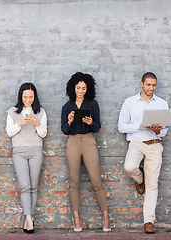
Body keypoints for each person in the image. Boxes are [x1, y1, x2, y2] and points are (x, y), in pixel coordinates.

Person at [118, 72, 169, 234]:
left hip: (155, 144)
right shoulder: (130, 102)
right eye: (148, 85)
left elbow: (165, 131)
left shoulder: (162, 103)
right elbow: (122, 126)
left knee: (153, 185)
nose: (151, 88)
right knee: (130, 166)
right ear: (141, 84)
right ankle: (139, 179)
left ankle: (149, 221)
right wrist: (141, 126)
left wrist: (157, 131)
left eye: (154, 85)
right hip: (137, 143)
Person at [61, 72, 111, 232]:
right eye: (78, 88)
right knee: (74, 182)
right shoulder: (67, 107)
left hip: (89, 141)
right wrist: (69, 121)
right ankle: (76, 219)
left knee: (96, 181)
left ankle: (106, 217)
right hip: (73, 142)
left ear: (87, 88)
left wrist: (91, 123)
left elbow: (97, 127)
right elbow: (64, 130)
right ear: (73, 88)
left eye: (83, 88)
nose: (81, 91)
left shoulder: (93, 104)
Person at [6, 83, 47, 234]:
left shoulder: (41, 112)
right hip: (19, 151)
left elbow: (43, 134)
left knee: (33, 187)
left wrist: (37, 123)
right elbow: (9, 132)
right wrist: (20, 123)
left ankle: (30, 218)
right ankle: (28, 218)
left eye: (31, 97)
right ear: (20, 97)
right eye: (25, 97)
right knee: (25, 186)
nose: (28, 100)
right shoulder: (12, 112)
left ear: (34, 96)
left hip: (36, 150)